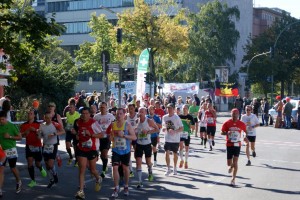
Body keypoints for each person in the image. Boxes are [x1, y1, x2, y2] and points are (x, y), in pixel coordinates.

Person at [73, 107, 103, 199]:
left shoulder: (94, 123)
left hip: (92, 149)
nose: (84, 115)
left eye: (86, 113)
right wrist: (76, 134)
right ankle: (81, 191)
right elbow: (78, 134)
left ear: (89, 114)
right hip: (81, 148)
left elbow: (102, 135)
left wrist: (91, 134)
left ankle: (98, 178)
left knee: (92, 169)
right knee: (82, 169)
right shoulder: (78, 122)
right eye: (83, 113)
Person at [108, 108, 136, 198]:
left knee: (125, 168)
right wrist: (111, 137)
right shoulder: (113, 124)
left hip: (125, 151)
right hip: (116, 150)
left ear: (124, 115)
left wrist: (124, 135)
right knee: (115, 168)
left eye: (120, 114)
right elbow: (111, 137)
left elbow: (134, 137)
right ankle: (116, 188)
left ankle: (126, 186)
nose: (118, 115)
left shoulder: (127, 125)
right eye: (117, 114)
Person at [20, 109, 47, 188]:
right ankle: (33, 180)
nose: (29, 115)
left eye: (31, 113)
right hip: (29, 146)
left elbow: (41, 135)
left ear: (34, 115)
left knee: (37, 163)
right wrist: (26, 132)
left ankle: (41, 168)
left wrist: (35, 130)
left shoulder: (38, 124)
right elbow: (21, 136)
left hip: (37, 146)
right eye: (28, 113)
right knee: (30, 163)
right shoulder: (24, 125)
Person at [221, 109, 247, 186]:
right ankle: (231, 166)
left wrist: (245, 137)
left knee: (235, 162)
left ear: (238, 114)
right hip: (229, 144)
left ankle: (233, 179)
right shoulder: (227, 123)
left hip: (237, 144)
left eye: (236, 114)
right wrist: (227, 132)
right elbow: (222, 131)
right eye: (233, 114)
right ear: (231, 114)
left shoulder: (241, 124)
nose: (234, 115)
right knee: (229, 164)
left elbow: (246, 132)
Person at [39, 112, 65, 188]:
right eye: (47, 118)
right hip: (45, 145)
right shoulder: (41, 125)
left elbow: (63, 131)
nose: (49, 119)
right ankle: (51, 180)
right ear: (44, 118)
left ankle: (55, 174)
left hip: (53, 145)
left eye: (50, 118)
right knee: (47, 165)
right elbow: (39, 137)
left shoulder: (55, 124)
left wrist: (54, 134)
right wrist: (38, 133)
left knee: (50, 164)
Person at [135, 107, 159, 188]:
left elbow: (157, 129)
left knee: (148, 161)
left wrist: (148, 132)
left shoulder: (149, 121)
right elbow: (134, 131)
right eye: (139, 111)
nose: (140, 113)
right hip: (139, 144)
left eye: (142, 112)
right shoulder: (136, 121)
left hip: (147, 144)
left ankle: (150, 171)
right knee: (138, 162)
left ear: (145, 113)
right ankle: (139, 181)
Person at [0, 110, 22, 193]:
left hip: (11, 150)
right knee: (1, 169)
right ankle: (0, 190)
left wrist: (10, 136)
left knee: (12, 167)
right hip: (2, 151)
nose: (1, 121)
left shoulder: (12, 126)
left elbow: (20, 137)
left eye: (2, 119)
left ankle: (18, 181)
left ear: (6, 118)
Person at [93, 102, 115, 179]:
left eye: (104, 107)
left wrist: (112, 135)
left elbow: (114, 126)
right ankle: (103, 165)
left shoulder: (111, 116)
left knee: (104, 153)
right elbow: (93, 126)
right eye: (101, 107)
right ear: (99, 108)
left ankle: (103, 171)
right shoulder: (96, 117)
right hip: (98, 138)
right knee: (100, 155)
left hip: (107, 137)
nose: (102, 108)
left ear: (106, 108)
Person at [161, 103, 183, 176]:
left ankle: (175, 168)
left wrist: (175, 131)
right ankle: (168, 169)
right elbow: (163, 125)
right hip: (167, 138)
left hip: (175, 139)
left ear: (173, 109)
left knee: (174, 153)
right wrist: (164, 128)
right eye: (168, 108)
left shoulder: (176, 117)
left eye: (170, 108)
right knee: (166, 152)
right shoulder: (164, 117)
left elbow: (181, 128)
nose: (169, 110)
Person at [178, 104, 194, 169]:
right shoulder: (179, 116)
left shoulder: (190, 117)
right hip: (180, 133)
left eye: (186, 108)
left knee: (186, 148)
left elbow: (193, 127)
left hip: (187, 134)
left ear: (188, 109)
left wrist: (188, 124)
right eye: (183, 108)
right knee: (180, 145)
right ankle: (181, 160)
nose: (184, 109)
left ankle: (186, 161)